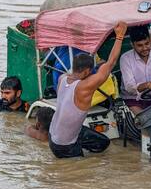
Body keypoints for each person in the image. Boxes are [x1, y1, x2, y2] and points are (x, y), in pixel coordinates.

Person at [48, 21, 127, 159]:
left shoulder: (62, 78)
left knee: (102, 143)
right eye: (92, 72)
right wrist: (119, 36)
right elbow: (111, 63)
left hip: (53, 137)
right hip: (65, 146)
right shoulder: (83, 87)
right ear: (86, 72)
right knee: (81, 176)